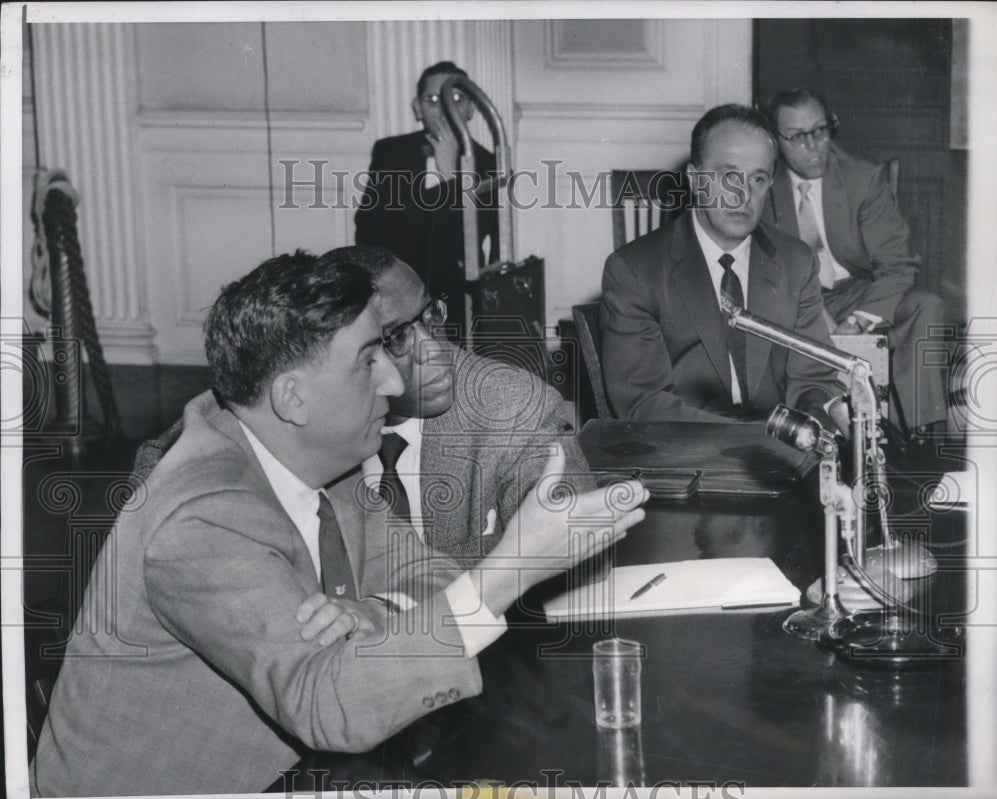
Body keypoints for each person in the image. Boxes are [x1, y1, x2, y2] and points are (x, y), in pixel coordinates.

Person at [30, 251, 646, 796]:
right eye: (369, 359)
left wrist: (374, 611)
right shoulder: (202, 518)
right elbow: (331, 703)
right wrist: (512, 570)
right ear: (292, 397)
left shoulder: (325, 457)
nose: (395, 380)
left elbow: (434, 574)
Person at [328, 244, 594, 567]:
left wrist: (414, 586)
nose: (434, 348)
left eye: (430, 315)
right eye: (397, 337)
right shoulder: (316, 425)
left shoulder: (514, 407)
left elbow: (582, 555)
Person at [599, 104, 847, 431]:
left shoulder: (796, 263)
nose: (742, 195)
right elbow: (643, 404)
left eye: (758, 178)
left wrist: (814, 423)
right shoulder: (635, 271)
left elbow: (813, 380)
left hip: (780, 458)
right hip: (684, 459)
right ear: (695, 180)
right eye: (728, 176)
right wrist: (754, 436)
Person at [761, 88, 948, 438]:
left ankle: (919, 434)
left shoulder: (862, 179)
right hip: (789, 298)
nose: (814, 145)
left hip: (855, 294)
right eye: (798, 136)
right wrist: (814, 311)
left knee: (927, 306)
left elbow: (898, 263)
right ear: (774, 140)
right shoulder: (762, 186)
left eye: (820, 130)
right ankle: (812, 430)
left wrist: (860, 319)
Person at [355, 61, 499, 342]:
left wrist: (450, 176)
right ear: (418, 108)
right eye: (432, 100)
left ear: (471, 109)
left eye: (456, 99)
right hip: (396, 288)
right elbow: (368, 229)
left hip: (457, 294)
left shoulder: (486, 163)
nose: (445, 110)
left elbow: (472, 240)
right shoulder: (391, 152)